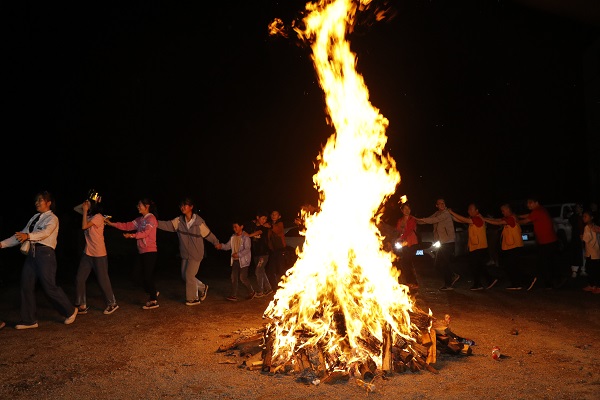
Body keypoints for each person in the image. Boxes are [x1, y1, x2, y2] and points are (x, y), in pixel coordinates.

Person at [0, 191, 78, 329]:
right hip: (32, 254)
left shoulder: (52, 218)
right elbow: (20, 236)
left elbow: (45, 233)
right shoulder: (35, 218)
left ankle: (70, 310)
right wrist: (1, 244)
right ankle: (29, 320)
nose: (36, 202)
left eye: (40, 200)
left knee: (49, 287)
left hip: (45, 254)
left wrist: (28, 236)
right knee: (26, 285)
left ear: (48, 203)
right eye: (36, 200)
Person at [157, 197, 220, 306]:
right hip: (185, 254)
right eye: (181, 205)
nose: (182, 207)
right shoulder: (179, 221)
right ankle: (202, 287)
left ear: (191, 207)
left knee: (189, 276)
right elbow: (167, 225)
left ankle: (193, 298)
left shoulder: (198, 222)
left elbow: (208, 234)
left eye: (185, 205)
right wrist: (155, 223)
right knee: (184, 276)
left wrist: (216, 242)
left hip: (196, 254)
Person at [106, 197, 159, 309]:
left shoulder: (151, 219)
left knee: (147, 276)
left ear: (147, 206)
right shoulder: (140, 220)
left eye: (139, 204)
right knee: (135, 275)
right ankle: (152, 291)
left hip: (150, 251)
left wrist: (132, 235)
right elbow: (127, 225)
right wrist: (112, 224)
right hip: (141, 251)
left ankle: (153, 299)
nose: (138, 206)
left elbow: (145, 233)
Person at [73, 194, 119, 315]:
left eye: (89, 202)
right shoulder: (89, 215)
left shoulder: (98, 217)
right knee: (79, 279)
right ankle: (82, 305)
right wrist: (85, 204)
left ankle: (112, 304)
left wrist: (85, 211)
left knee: (103, 280)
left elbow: (84, 227)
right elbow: (75, 209)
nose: (86, 203)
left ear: (94, 205)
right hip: (87, 253)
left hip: (99, 254)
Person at [449, 203, 497, 291]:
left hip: (479, 246)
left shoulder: (478, 219)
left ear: (477, 210)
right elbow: (460, 220)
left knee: (474, 266)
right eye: (468, 209)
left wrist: (452, 212)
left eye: (471, 209)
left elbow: (464, 220)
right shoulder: (473, 218)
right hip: (476, 246)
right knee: (478, 266)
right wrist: (449, 215)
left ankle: (480, 283)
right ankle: (489, 280)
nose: (469, 211)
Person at [518, 196, 564, 289]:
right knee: (550, 262)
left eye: (530, 202)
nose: (528, 205)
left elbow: (525, 221)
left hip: (547, 242)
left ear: (536, 202)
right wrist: (517, 216)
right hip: (550, 241)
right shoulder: (540, 210)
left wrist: (513, 221)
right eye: (528, 203)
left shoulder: (537, 211)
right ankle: (557, 279)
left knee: (543, 263)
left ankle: (549, 283)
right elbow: (528, 215)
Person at [415, 198, 460, 291]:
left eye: (443, 203)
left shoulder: (446, 213)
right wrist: (417, 221)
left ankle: (448, 284)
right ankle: (452, 275)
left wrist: (420, 219)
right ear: (437, 205)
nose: (442, 205)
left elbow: (434, 220)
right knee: (439, 264)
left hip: (448, 241)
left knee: (444, 263)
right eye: (440, 204)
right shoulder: (437, 213)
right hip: (442, 242)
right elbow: (430, 219)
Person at [483, 203, 527, 290]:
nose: (502, 212)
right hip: (511, 246)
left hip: (514, 246)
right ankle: (518, 283)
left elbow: (498, 222)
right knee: (510, 265)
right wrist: (483, 218)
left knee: (511, 266)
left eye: (503, 211)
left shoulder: (511, 218)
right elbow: (497, 220)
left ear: (507, 210)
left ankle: (523, 281)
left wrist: (484, 219)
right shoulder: (510, 217)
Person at [216, 219, 255, 301]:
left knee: (242, 278)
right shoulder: (233, 237)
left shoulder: (245, 237)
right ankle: (233, 295)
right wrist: (221, 246)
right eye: (233, 227)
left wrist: (238, 254)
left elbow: (247, 249)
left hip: (244, 261)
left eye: (236, 227)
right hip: (235, 260)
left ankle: (251, 291)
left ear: (241, 227)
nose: (234, 229)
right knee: (234, 277)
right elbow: (227, 246)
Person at [246, 211, 273, 297]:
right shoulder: (252, 225)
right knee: (261, 271)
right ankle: (269, 289)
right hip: (256, 254)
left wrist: (250, 235)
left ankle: (260, 291)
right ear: (258, 217)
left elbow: (260, 232)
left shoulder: (264, 227)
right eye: (263, 218)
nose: (264, 220)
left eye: (265, 219)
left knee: (258, 271)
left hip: (264, 253)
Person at [395, 202, 419, 289]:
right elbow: (397, 231)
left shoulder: (412, 219)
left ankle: (414, 282)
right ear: (402, 210)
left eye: (408, 209)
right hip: (403, 244)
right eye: (405, 209)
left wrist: (400, 237)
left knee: (407, 261)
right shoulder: (400, 221)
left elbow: (408, 231)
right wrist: (396, 238)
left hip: (412, 243)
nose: (407, 210)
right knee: (405, 262)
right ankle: (410, 282)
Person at [580, 210, 600, 294]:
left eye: (586, 216)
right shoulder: (594, 226)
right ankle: (592, 285)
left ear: (591, 217)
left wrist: (582, 237)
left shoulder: (588, 227)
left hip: (593, 252)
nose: (583, 218)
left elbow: (588, 239)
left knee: (594, 270)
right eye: (583, 216)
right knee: (590, 269)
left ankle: (597, 286)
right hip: (592, 252)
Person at [267, 210, 287, 286]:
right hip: (273, 250)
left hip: (280, 249)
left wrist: (271, 226)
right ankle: (274, 288)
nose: (273, 215)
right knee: (271, 270)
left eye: (275, 214)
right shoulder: (269, 225)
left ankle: (285, 285)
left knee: (281, 269)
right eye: (272, 214)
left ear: (279, 216)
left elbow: (278, 230)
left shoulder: (280, 224)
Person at [568, 203, 585, 278]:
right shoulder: (573, 217)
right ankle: (574, 271)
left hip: (585, 238)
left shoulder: (585, 216)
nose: (578, 209)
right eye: (577, 207)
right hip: (576, 239)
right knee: (575, 254)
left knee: (584, 254)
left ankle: (583, 270)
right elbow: (572, 222)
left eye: (579, 207)